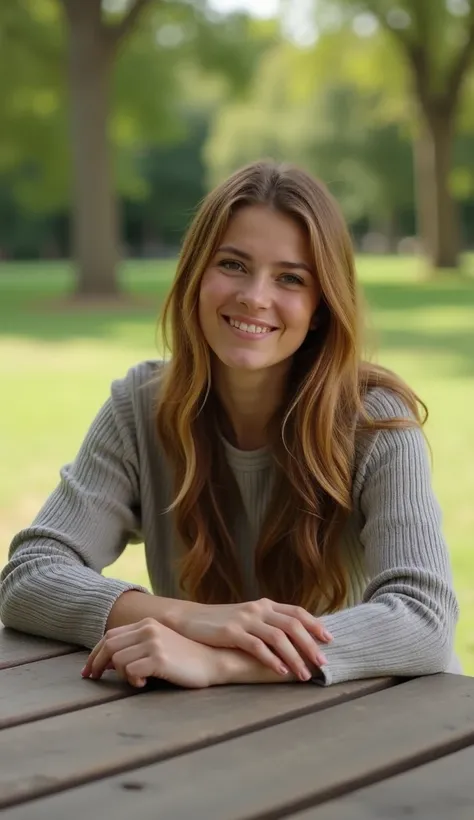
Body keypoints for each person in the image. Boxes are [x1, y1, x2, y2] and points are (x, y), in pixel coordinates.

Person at [0, 160, 460, 689]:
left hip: (388, 722)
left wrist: (221, 661)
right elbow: (31, 574)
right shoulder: (140, 406)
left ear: (321, 308)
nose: (254, 296)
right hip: (220, 728)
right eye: (233, 265)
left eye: (290, 278)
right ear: (197, 273)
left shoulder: (375, 420)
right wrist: (185, 618)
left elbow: (424, 619)